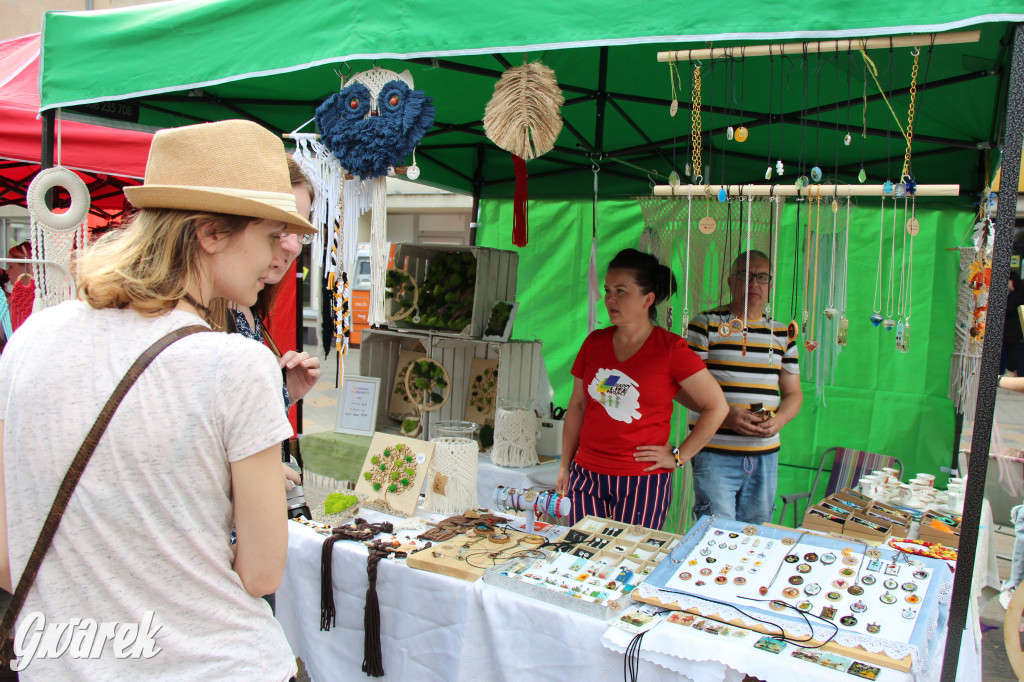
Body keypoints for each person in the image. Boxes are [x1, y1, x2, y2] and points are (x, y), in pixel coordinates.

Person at [0, 119, 315, 680]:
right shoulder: (236, 363)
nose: (277, 258)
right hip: (213, 664)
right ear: (210, 232)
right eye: (270, 235)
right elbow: (263, 573)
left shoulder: (32, 340)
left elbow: (8, 554)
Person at [557, 248, 728, 529]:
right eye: (608, 290)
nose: (610, 299)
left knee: (630, 561)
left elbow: (717, 407)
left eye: (621, 291)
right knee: (584, 556)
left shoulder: (671, 349)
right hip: (586, 473)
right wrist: (565, 465)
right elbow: (577, 406)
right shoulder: (594, 343)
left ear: (647, 299)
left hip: (643, 478)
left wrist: (679, 456)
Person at [688, 250, 803, 525]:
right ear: (730, 282)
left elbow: (793, 393)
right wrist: (727, 415)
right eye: (745, 276)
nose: (753, 284)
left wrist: (781, 420)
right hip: (715, 451)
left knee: (756, 533)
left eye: (761, 277)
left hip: (765, 453)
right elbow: (688, 388)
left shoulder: (782, 334)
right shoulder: (705, 325)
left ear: (771, 286)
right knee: (714, 531)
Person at [227, 158, 321, 483]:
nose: (294, 246)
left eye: (301, 233)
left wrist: (284, 391)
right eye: (281, 229)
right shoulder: (193, 322)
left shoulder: (250, 306)